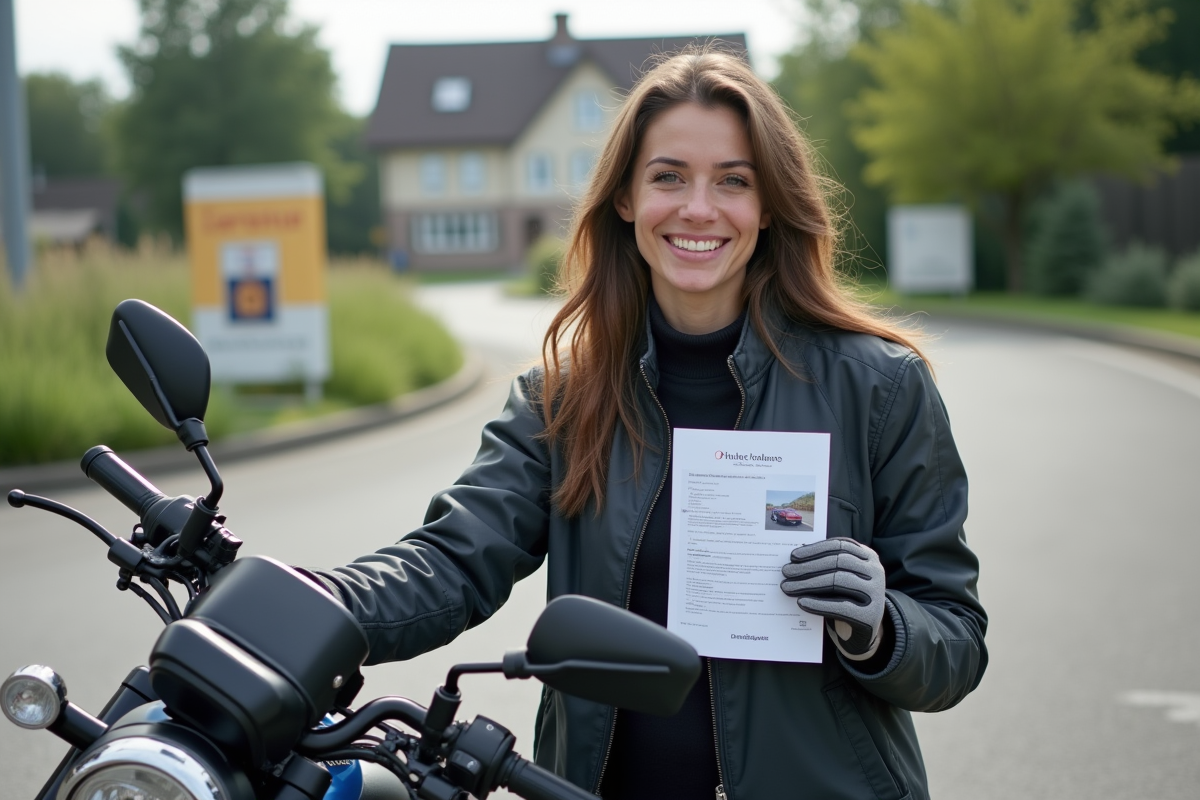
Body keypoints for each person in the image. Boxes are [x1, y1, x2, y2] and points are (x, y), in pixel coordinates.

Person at [313, 48, 986, 800]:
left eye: (733, 181)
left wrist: (880, 625)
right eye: (668, 177)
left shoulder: (881, 388)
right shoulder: (561, 399)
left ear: (768, 207)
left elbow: (954, 639)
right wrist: (313, 602)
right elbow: (450, 560)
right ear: (627, 199)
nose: (699, 208)